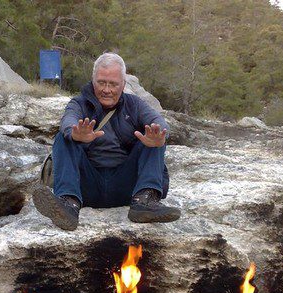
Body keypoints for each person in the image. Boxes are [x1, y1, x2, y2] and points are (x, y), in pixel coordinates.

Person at [32, 52, 181, 231]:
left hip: (126, 185)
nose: (107, 89)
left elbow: (158, 121)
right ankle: (68, 204)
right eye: (102, 83)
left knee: (154, 138)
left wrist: (160, 134)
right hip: (86, 185)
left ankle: (145, 201)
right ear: (93, 81)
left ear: (123, 84)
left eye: (113, 84)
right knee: (64, 138)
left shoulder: (135, 105)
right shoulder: (79, 104)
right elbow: (68, 121)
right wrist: (76, 133)